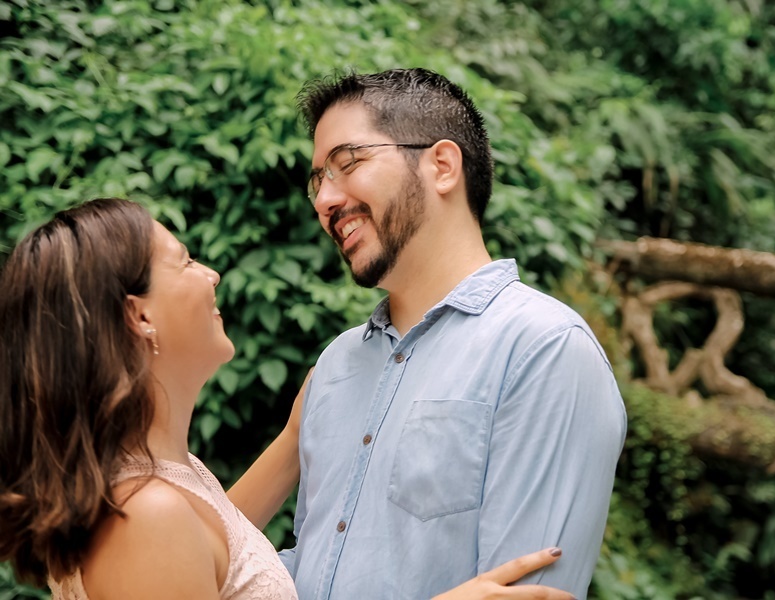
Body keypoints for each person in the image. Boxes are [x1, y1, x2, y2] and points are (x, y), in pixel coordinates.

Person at [0, 198, 581, 600]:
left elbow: (217, 557)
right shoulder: (145, 518)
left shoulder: (161, 483)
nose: (211, 275)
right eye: (185, 261)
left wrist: (294, 438)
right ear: (140, 316)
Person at [281, 68, 628, 600]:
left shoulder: (544, 349)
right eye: (318, 180)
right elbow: (306, 565)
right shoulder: (335, 365)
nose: (324, 200)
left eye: (348, 164)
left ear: (442, 166)